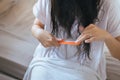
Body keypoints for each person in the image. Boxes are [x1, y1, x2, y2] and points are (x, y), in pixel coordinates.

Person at [23, 0, 120, 80]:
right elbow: (37, 25)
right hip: (48, 59)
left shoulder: (108, 4)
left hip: (86, 67)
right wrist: (38, 33)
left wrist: (106, 36)